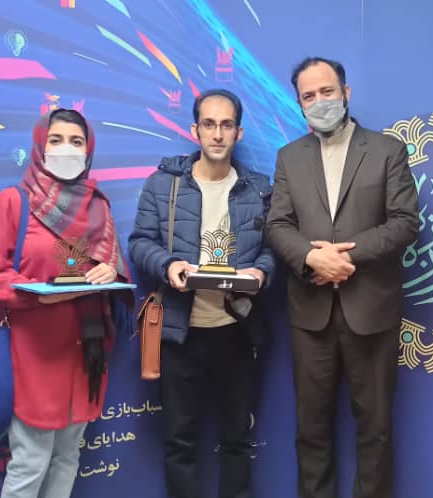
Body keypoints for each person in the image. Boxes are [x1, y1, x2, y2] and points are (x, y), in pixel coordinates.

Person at [265, 57, 420, 498]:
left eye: (327, 91)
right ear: (299, 104)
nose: (319, 102)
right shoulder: (289, 157)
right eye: (308, 96)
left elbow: (405, 222)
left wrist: (344, 257)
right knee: (311, 429)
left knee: (375, 429)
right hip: (310, 313)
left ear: (346, 93)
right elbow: (277, 224)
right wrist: (311, 258)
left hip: (371, 310)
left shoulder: (387, 150)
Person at [0, 108, 133, 498]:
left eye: (76, 142)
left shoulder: (98, 206)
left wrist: (108, 272)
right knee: (30, 461)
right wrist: (37, 293)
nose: (66, 149)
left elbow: (111, 266)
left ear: (89, 150)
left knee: (67, 458)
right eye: (56, 140)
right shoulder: (14, 202)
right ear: (40, 146)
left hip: (85, 352)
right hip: (33, 351)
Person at [128, 89, 275, 498]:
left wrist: (261, 273)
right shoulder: (163, 184)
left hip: (237, 332)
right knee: (179, 443)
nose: (217, 133)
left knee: (238, 440)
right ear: (195, 130)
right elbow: (139, 242)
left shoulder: (259, 190)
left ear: (239, 132)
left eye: (226, 125)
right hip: (180, 335)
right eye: (209, 124)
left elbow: (273, 250)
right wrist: (167, 265)